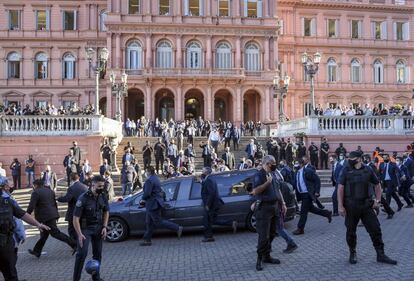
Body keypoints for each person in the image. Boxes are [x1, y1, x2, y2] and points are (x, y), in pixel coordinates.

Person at [337, 151, 397, 265]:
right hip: (351, 206)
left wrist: (378, 201)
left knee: (375, 229)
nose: (350, 160)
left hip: (366, 205)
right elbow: (340, 187)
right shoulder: (345, 170)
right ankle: (352, 252)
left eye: (352, 158)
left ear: (359, 159)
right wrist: (340, 205)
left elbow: (377, 185)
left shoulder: (368, 169)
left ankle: (381, 254)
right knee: (350, 232)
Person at [0, 177, 50, 281]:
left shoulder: (7, 202)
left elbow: (22, 215)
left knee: (10, 275)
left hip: (5, 243)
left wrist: (38, 224)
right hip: (5, 243)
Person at [250, 155, 285, 271]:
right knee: (263, 236)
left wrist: (283, 203)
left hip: (274, 207)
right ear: (268, 163)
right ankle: (259, 260)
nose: (275, 164)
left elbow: (277, 189)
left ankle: (267, 255)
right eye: (273, 163)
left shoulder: (272, 174)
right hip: (263, 209)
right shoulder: (259, 175)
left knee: (272, 233)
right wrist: (267, 183)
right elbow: (255, 191)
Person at [26, 179, 76, 258]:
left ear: (35, 185)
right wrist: (56, 215)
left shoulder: (35, 193)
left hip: (44, 217)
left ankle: (74, 244)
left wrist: (26, 215)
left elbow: (31, 206)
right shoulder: (50, 191)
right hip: (51, 215)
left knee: (55, 233)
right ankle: (37, 251)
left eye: (34, 185)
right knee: (44, 235)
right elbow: (54, 204)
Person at [73, 175, 109, 281]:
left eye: (102, 186)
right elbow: (75, 218)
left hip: (98, 228)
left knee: (98, 254)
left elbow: (106, 211)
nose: (101, 188)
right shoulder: (83, 198)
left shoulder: (103, 196)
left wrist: (105, 227)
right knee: (81, 254)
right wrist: (79, 234)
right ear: (92, 185)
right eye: (99, 186)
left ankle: (96, 277)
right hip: (85, 230)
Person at [140, 166, 183, 246]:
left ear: (148, 171)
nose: (145, 173)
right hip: (155, 203)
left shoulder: (149, 180)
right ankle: (147, 240)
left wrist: (142, 199)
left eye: (145, 171)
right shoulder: (156, 178)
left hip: (153, 204)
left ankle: (177, 228)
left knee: (158, 221)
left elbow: (147, 193)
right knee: (149, 222)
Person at [293, 159, 332, 235]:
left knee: (303, 211)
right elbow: (296, 183)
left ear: (301, 164)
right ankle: (327, 213)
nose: (295, 165)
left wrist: (317, 191)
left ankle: (300, 229)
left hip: (308, 194)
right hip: (302, 194)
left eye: (297, 163)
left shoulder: (307, 171)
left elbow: (317, 180)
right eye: (295, 164)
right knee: (311, 209)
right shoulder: (296, 173)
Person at [200, 167, 237, 243]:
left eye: (203, 170)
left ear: (206, 172)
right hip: (214, 203)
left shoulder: (209, 179)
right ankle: (231, 223)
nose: (202, 171)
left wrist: (207, 205)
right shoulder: (209, 179)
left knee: (207, 221)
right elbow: (208, 186)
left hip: (211, 204)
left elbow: (211, 193)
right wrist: (201, 182)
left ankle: (209, 237)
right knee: (212, 220)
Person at [57, 173, 88, 241]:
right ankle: (82, 242)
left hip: (73, 212)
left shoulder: (71, 188)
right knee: (82, 229)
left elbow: (67, 198)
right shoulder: (85, 187)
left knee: (72, 230)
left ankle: (75, 244)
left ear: (71, 178)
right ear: (78, 178)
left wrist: (58, 198)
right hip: (84, 211)